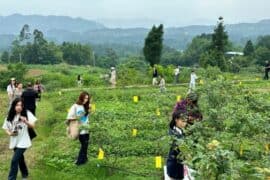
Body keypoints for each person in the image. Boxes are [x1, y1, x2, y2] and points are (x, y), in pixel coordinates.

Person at [2, 98, 37, 180]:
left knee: (14, 160)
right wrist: (10, 133)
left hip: (24, 141)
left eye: (21, 105)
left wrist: (26, 121)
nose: (19, 107)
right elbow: (5, 127)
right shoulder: (10, 115)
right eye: (17, 105)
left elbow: (33, 126)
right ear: (14, 106)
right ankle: (25, 174)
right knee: (20, 158)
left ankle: (11, 178)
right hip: (15, 141)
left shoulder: (27, 113)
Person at [66, 91, 91, 165]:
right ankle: (79, 162)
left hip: (87, 128)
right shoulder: (75, 106)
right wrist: (78, 118)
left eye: (87, 98)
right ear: (81, 98)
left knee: (86, 145)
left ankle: (85, 159)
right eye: (84, 98)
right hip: (80, 129)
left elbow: (87, 117)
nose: (85, 100)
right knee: (84, 145)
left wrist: (89, 110)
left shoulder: (86, 106)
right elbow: (69, 117)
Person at [166, 110, 187, 180]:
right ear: (176, 120)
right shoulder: (173, 133)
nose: (185, 123)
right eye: (182, 121)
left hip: (179, 164)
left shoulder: (180, 131)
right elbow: (179, 148)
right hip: (174, 165)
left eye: (185, 121)